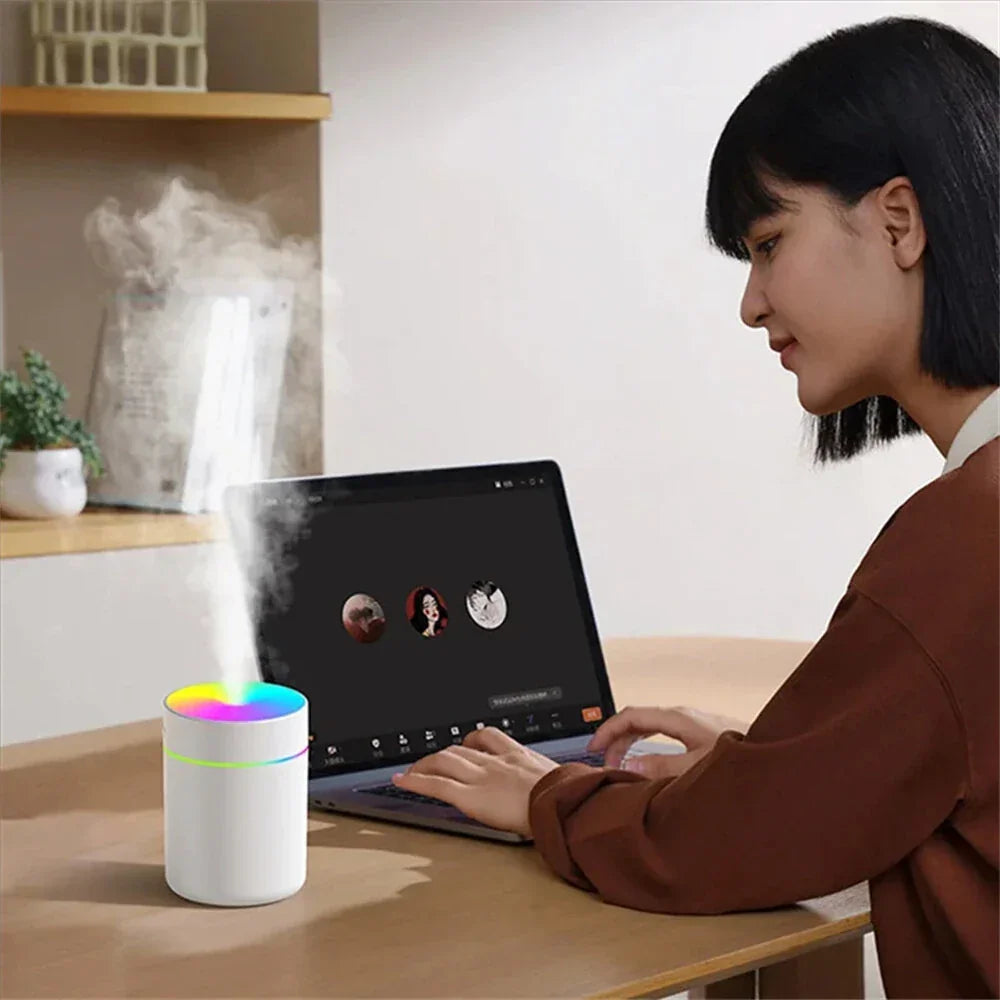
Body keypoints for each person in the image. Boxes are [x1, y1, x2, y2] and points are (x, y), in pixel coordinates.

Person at [391, 16, 999, 999]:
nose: (751, 305)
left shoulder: (969, 536)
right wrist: (775, 765)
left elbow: (739, 847)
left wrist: (548, 795)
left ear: (898, 221)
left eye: (768, 243)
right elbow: (898, 774)